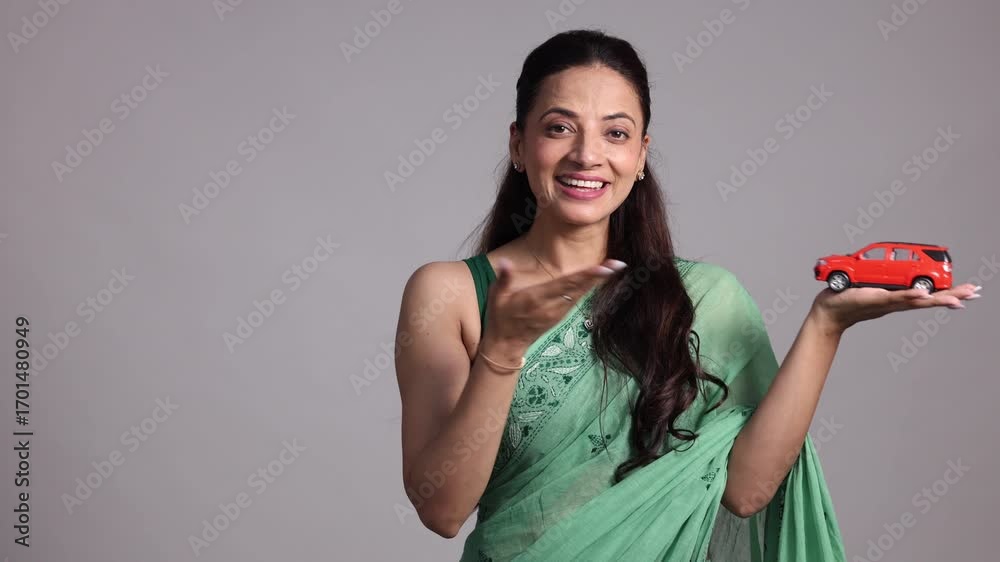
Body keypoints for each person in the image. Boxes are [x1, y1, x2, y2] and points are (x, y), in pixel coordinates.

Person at [393, 29, 980, 561]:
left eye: (615, 133)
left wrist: (826, 326)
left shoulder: (703, 297)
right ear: (519, 145)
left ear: (640, 156)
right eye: (559, 127)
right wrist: (502, 351)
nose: (587, 154)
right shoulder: (449, 293)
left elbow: (746, 491)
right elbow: (441, 511)